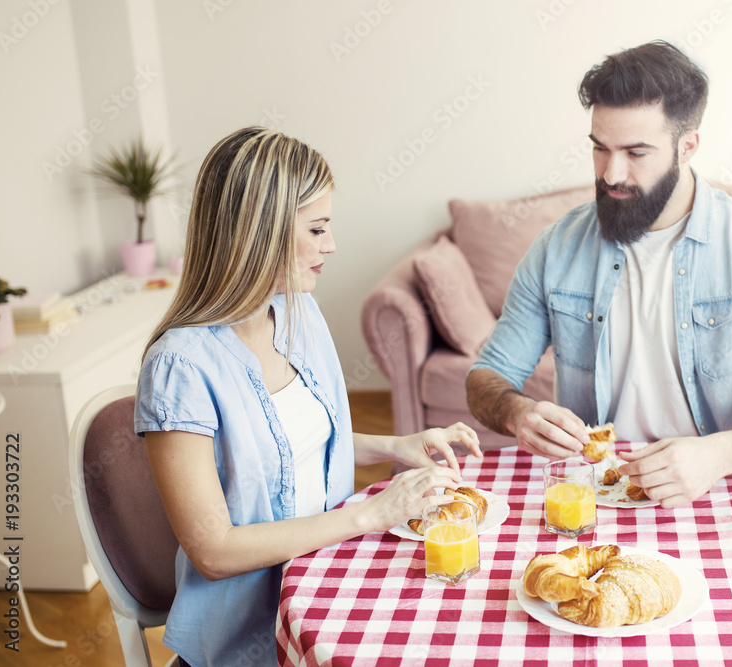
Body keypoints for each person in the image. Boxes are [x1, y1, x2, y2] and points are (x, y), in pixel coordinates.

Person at [135, 127, 481, 667]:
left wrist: (398, 443)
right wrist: (371, 513)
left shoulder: (297, 313)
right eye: (317, 228)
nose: (331, 244)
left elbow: (292, 447)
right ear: (260, 234)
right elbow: (213, 550)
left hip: (325, 589)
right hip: (251, 643)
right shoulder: (180, 366)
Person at [466, 41, 732, 509]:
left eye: (636, 152)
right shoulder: (556, 247)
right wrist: (517, 414)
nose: (612, 173)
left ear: (687, 146)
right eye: (600, 149)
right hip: (591, 494)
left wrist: (719, 453)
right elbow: (487, 377)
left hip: (718, 489)